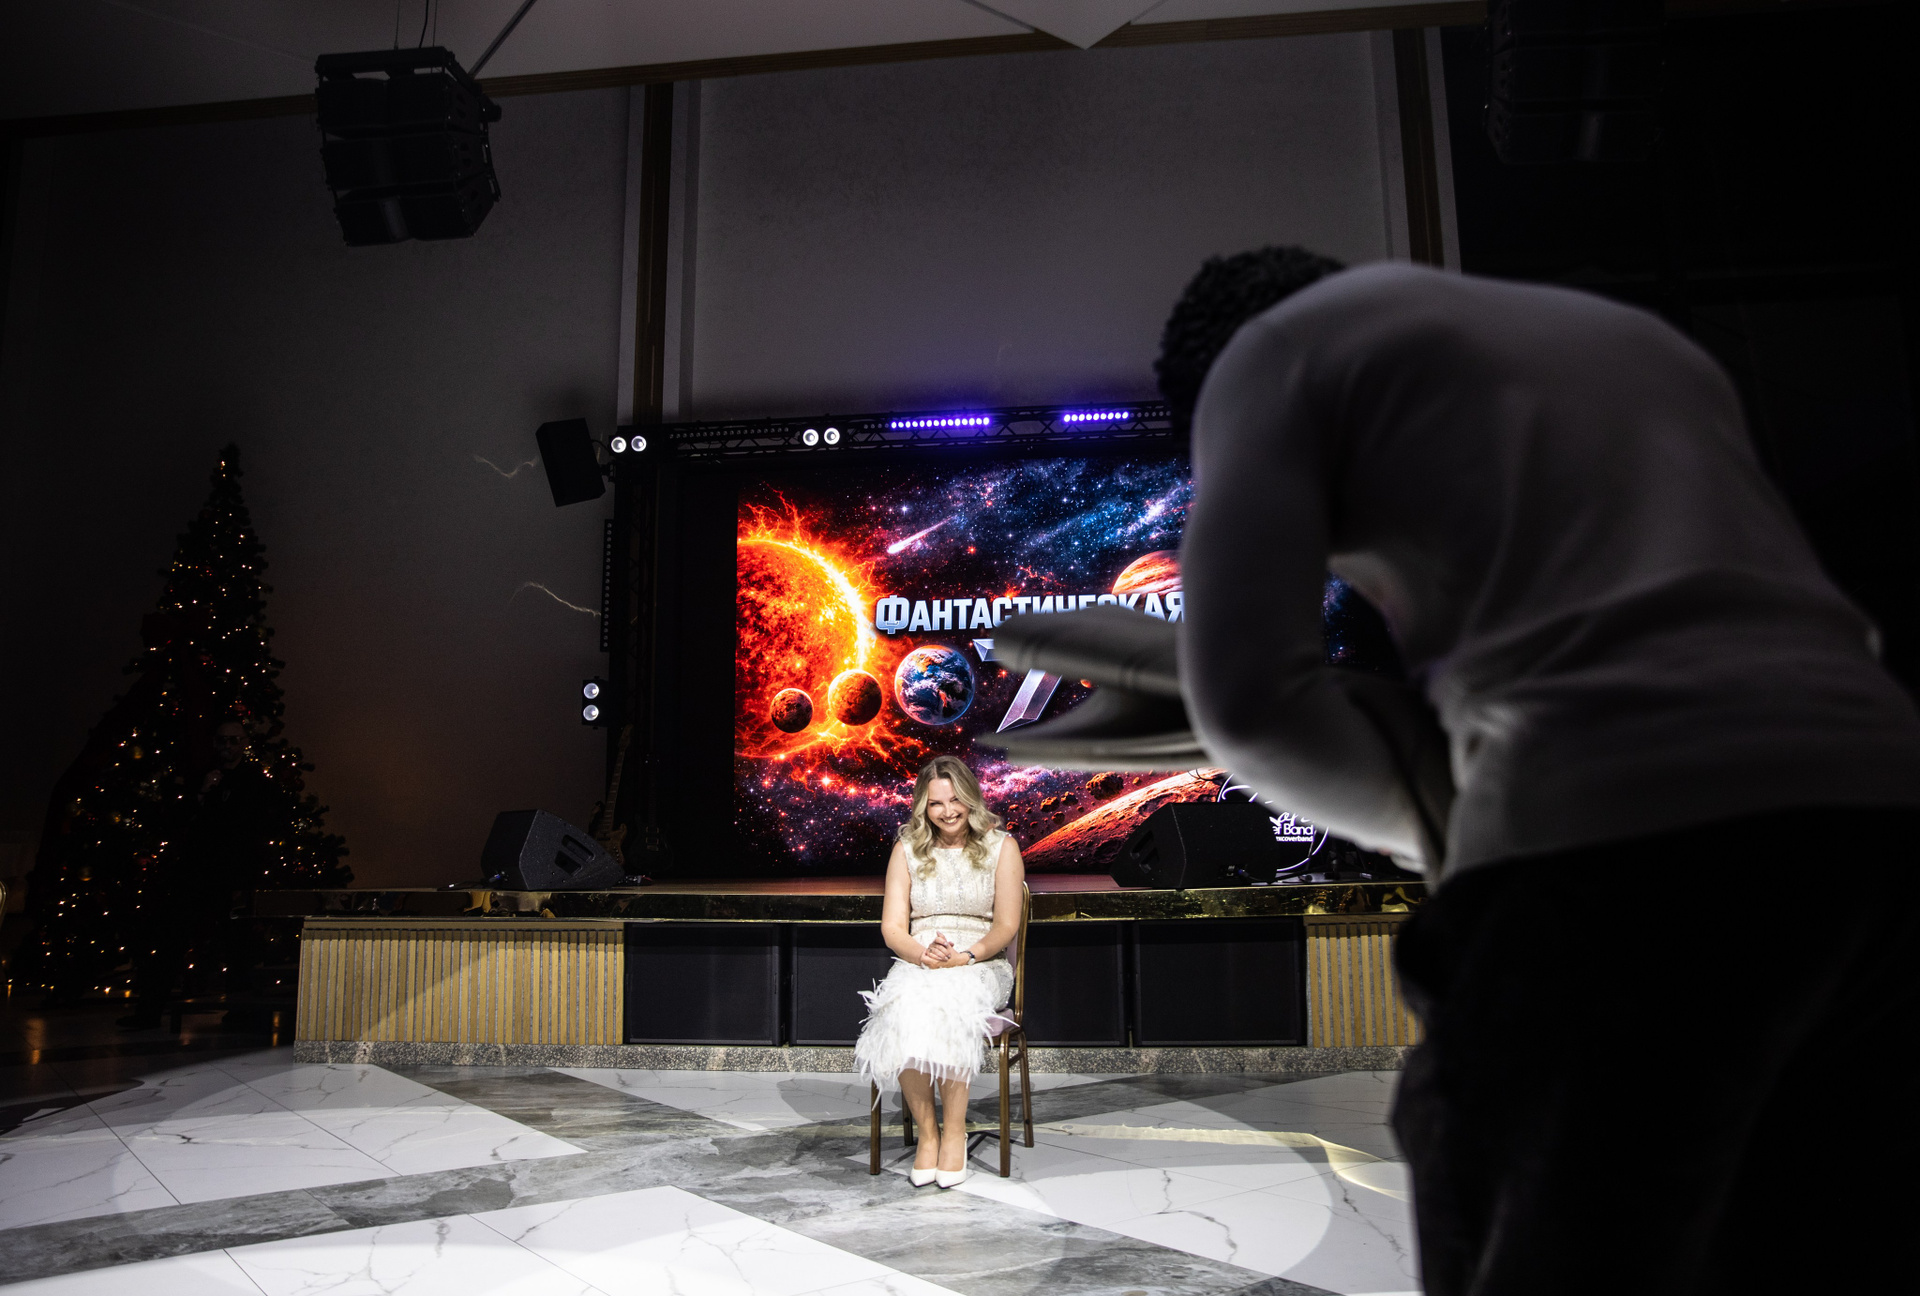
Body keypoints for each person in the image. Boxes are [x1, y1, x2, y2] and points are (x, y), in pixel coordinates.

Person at [1146, 249, 1920, 1294]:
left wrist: (1443, 829)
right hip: (1882, 814)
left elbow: (1250, 709)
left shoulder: (1269, 353)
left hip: (1604, 852)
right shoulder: (1640, 338)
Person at [854, 754, 1026, 1188]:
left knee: (949, 1003)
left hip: (980, 963)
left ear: (971, 799)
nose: (948, 811)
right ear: (923, 807)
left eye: (955, 800)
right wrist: (921, 955)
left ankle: (954, 1134)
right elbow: (892, 927)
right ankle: (928, 1135)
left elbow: (1006, 926)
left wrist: (964, 956)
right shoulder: (907, 850)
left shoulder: (1001, 847)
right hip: (921, 960)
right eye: (936, 804)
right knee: (902, 1005)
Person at [122, 718, 272, 1029]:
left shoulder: (254, 781)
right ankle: (149, 1011)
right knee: (171, 939)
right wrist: (202, 793)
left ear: (244, 743)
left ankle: (240, 1012)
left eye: (233, 740)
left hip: (231, 875)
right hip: (195, 872)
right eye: (222, 740)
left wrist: (246, 878)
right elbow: (181, 818)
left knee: (237, 946)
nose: (227, 746)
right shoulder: (203, 776)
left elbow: (254, 829)